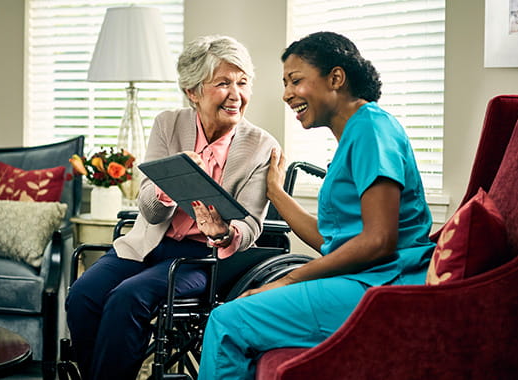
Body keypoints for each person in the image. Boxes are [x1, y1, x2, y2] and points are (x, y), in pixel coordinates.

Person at [197, 31, 436, 379]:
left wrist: (287, 280)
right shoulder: (357, 132)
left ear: (336, 78)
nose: (286, 94)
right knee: (241, 316)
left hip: (384, 286)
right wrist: (276, 191)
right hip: (366, 278)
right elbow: (331, 240)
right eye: (284, 83)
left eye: (295, 80)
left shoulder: (371, 129)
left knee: (227, 321)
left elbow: (378, 240)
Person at [65, 35, 280, 380]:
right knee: (83, 295)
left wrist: (224, 233)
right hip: (148, 242)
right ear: (192, 91)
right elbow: (149, 210)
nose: (236, 94)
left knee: (128, 299)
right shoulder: (169, 124)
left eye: (242, 82)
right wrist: (168, 184)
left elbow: (252, 224)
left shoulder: (260, 145)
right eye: (223, 83)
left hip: (202, 258)